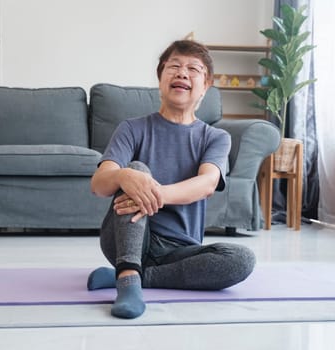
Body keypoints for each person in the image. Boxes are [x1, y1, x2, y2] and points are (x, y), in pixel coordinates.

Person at [87, 40, 256, 319]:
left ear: (206, 86)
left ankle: (137, 276)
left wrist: (156, 194)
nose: (182, 73)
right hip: (126, 240)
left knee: (242, 260)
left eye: (193, 69)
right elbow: (99, 184)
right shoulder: (132, 128)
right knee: (136, 169)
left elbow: (207, 184)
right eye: (174, 66)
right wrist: (124, 175)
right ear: (160, 78)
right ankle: (128, 277)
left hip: (181, 251)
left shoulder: (216, 138)